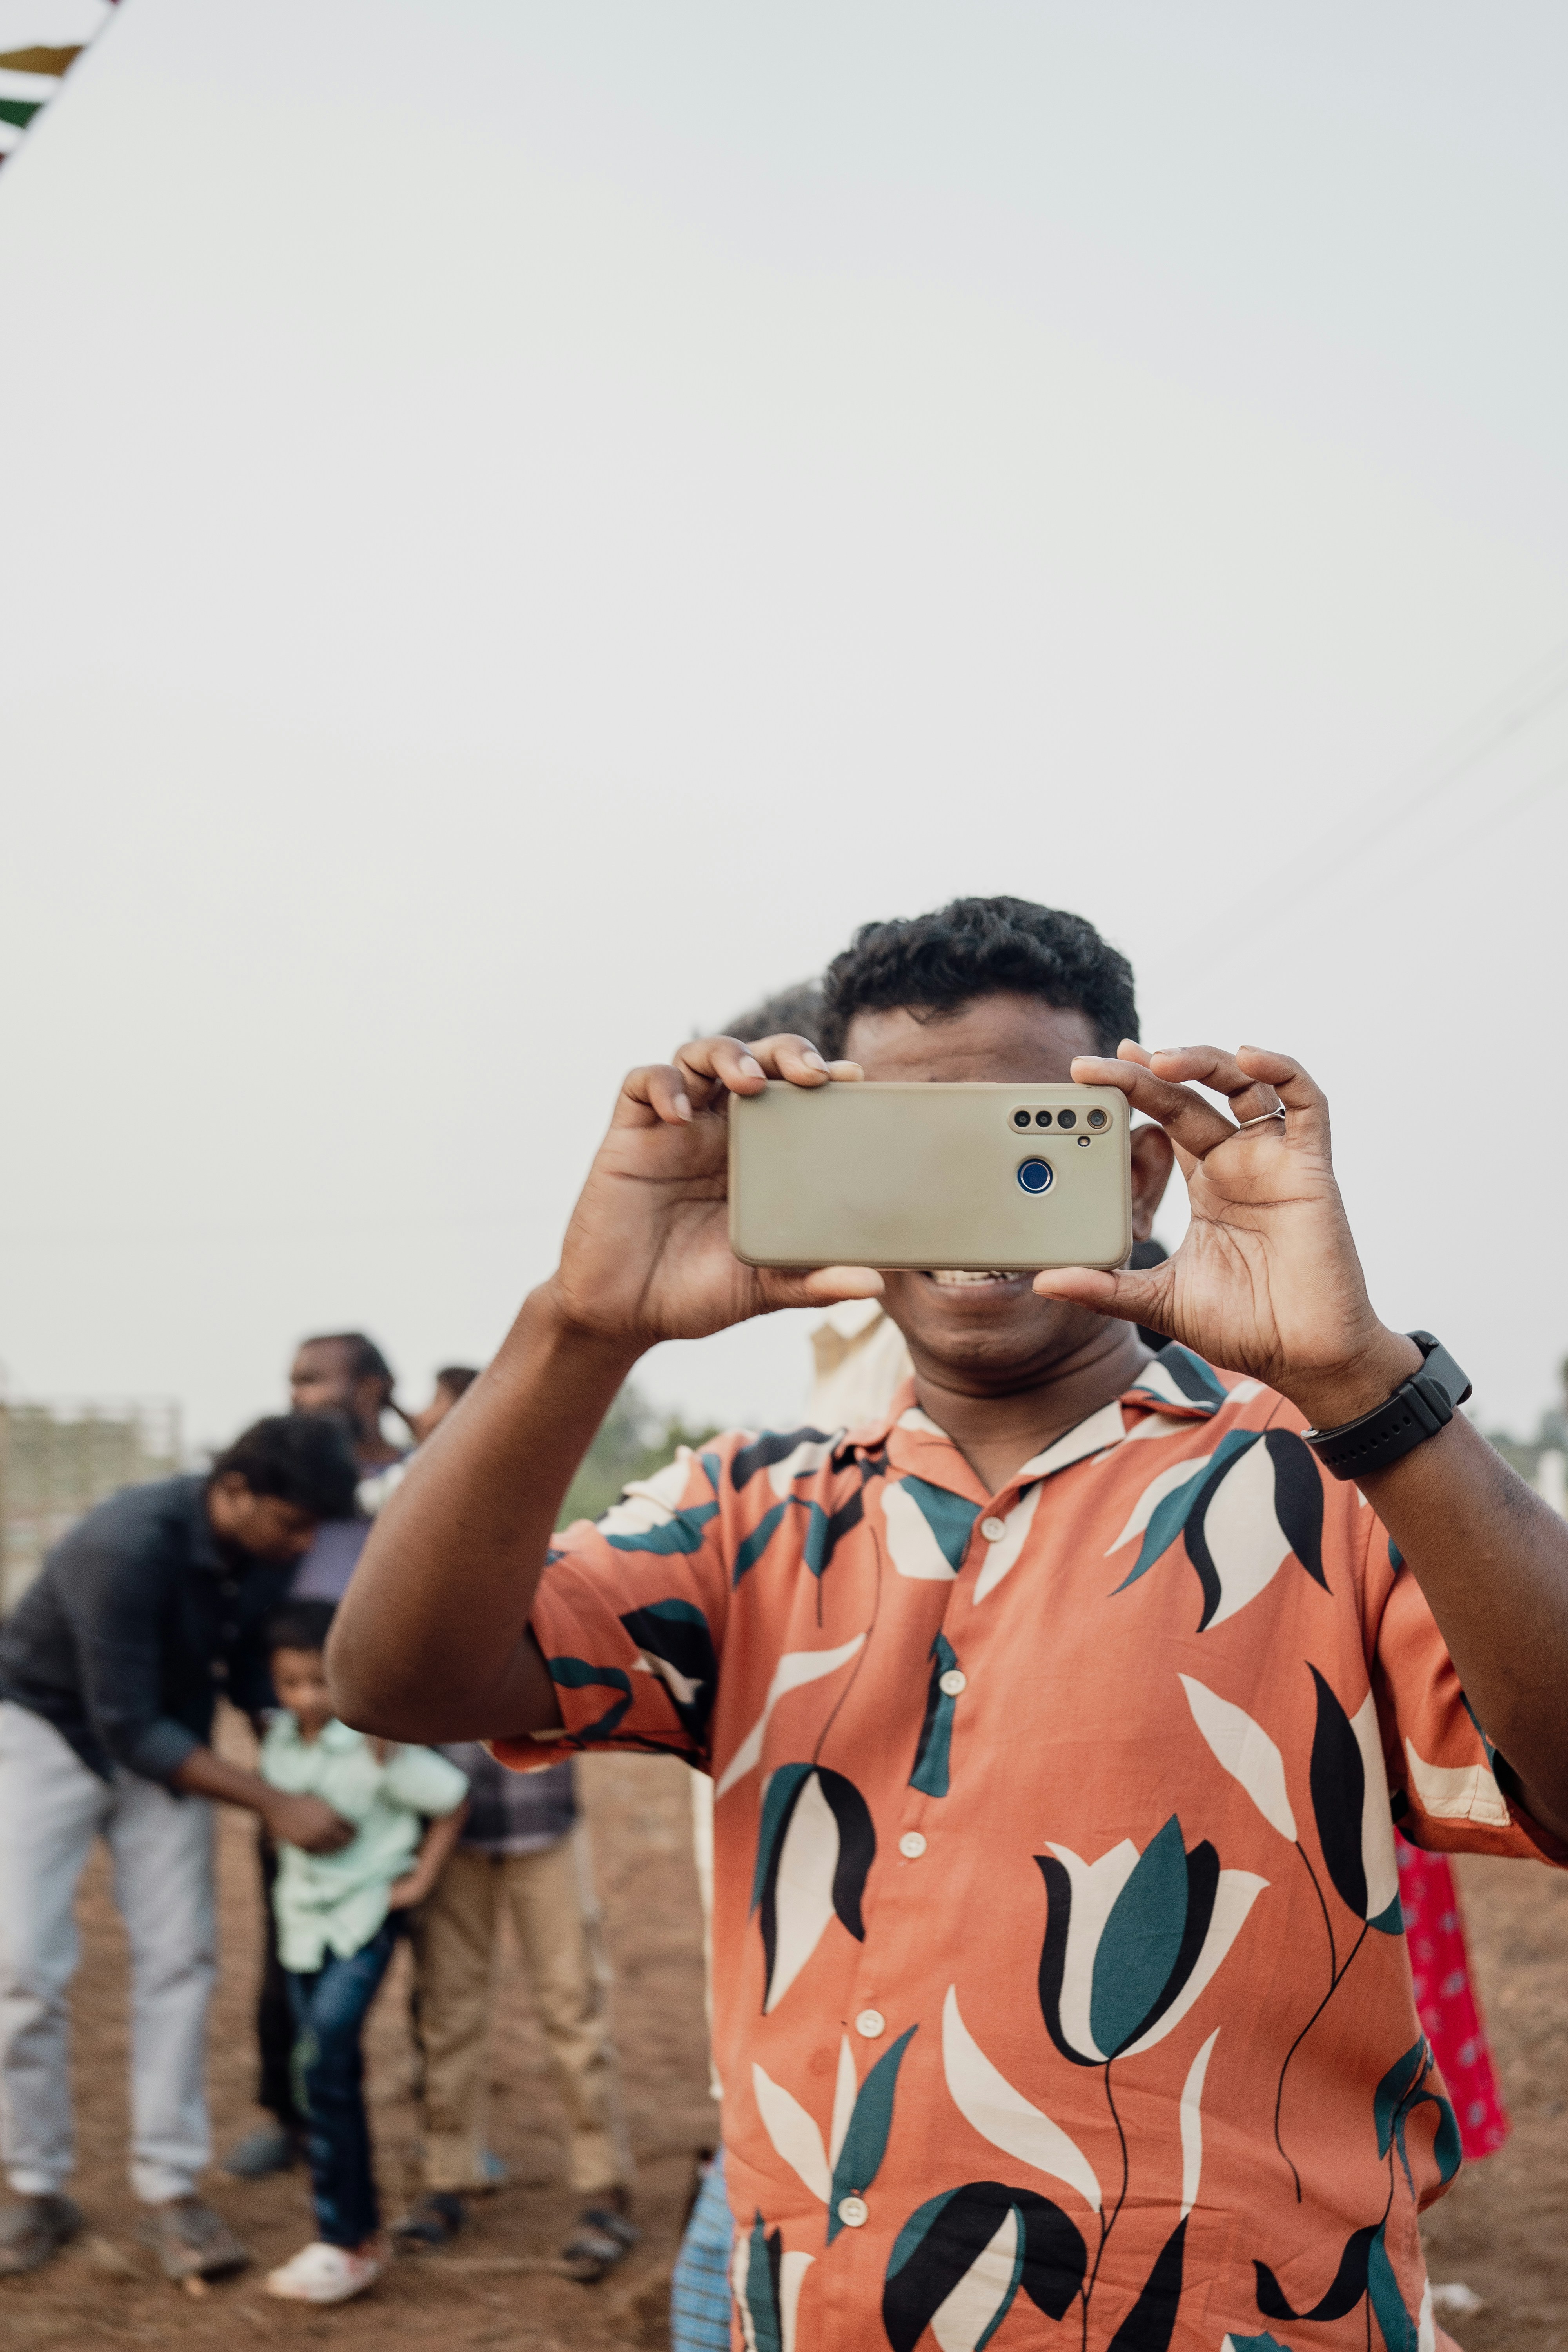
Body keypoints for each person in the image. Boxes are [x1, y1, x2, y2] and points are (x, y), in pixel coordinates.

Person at [328, 893, 1568, 2351]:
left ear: (1143, 1165)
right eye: (909, 1154)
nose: (972, 1202)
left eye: (1026, 1143)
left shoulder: (1336, 1482)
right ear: (825, 1176)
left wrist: (1363, 1379)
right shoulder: (746, 1513)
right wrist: (584, 1321)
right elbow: (398, 1680)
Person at [0, 1416, 359, 2282]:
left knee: (181, 1957)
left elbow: (245, 1672)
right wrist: (274, 1799)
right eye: (293, 1523)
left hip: (169, 1738)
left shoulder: (265, 1549)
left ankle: (168, 2188)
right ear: (234, 1490)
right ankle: (32, 2185)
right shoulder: (126, 1544)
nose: (305, 1544)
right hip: (50, 1729)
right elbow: (123, 1724)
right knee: (20, 1964)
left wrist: (312, 1746)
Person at [390, 1365, 639, 2283]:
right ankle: (447, 2175)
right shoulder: (407, 1541)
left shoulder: (531, 1532)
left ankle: (601, 2187)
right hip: (447, 1828)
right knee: (447, 2007)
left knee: (573, 2003)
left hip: (535, 1816)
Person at [227, 1329, 412, 2183]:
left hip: (400, 1754)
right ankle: (289, 2110)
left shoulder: (421, 1481)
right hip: (302, 1754)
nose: (302, 1396)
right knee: (288, 1940)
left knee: (417, 1945)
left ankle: (436, 2132)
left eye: (319, 1381)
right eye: (294, 1381)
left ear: (372, 1386)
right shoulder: (291, 1495)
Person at [259, 1599, 470, 2306]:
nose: (308, 1697)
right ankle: (352, 2236)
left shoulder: (381, 1744)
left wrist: (421, 1877)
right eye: (292, 1684)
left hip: (363, 1921)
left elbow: (452, 1797)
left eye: (319, 1681)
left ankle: (347, 2237)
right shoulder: (279, 1744)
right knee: (323, 2069)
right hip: (301, 1923)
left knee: (324, 2056)